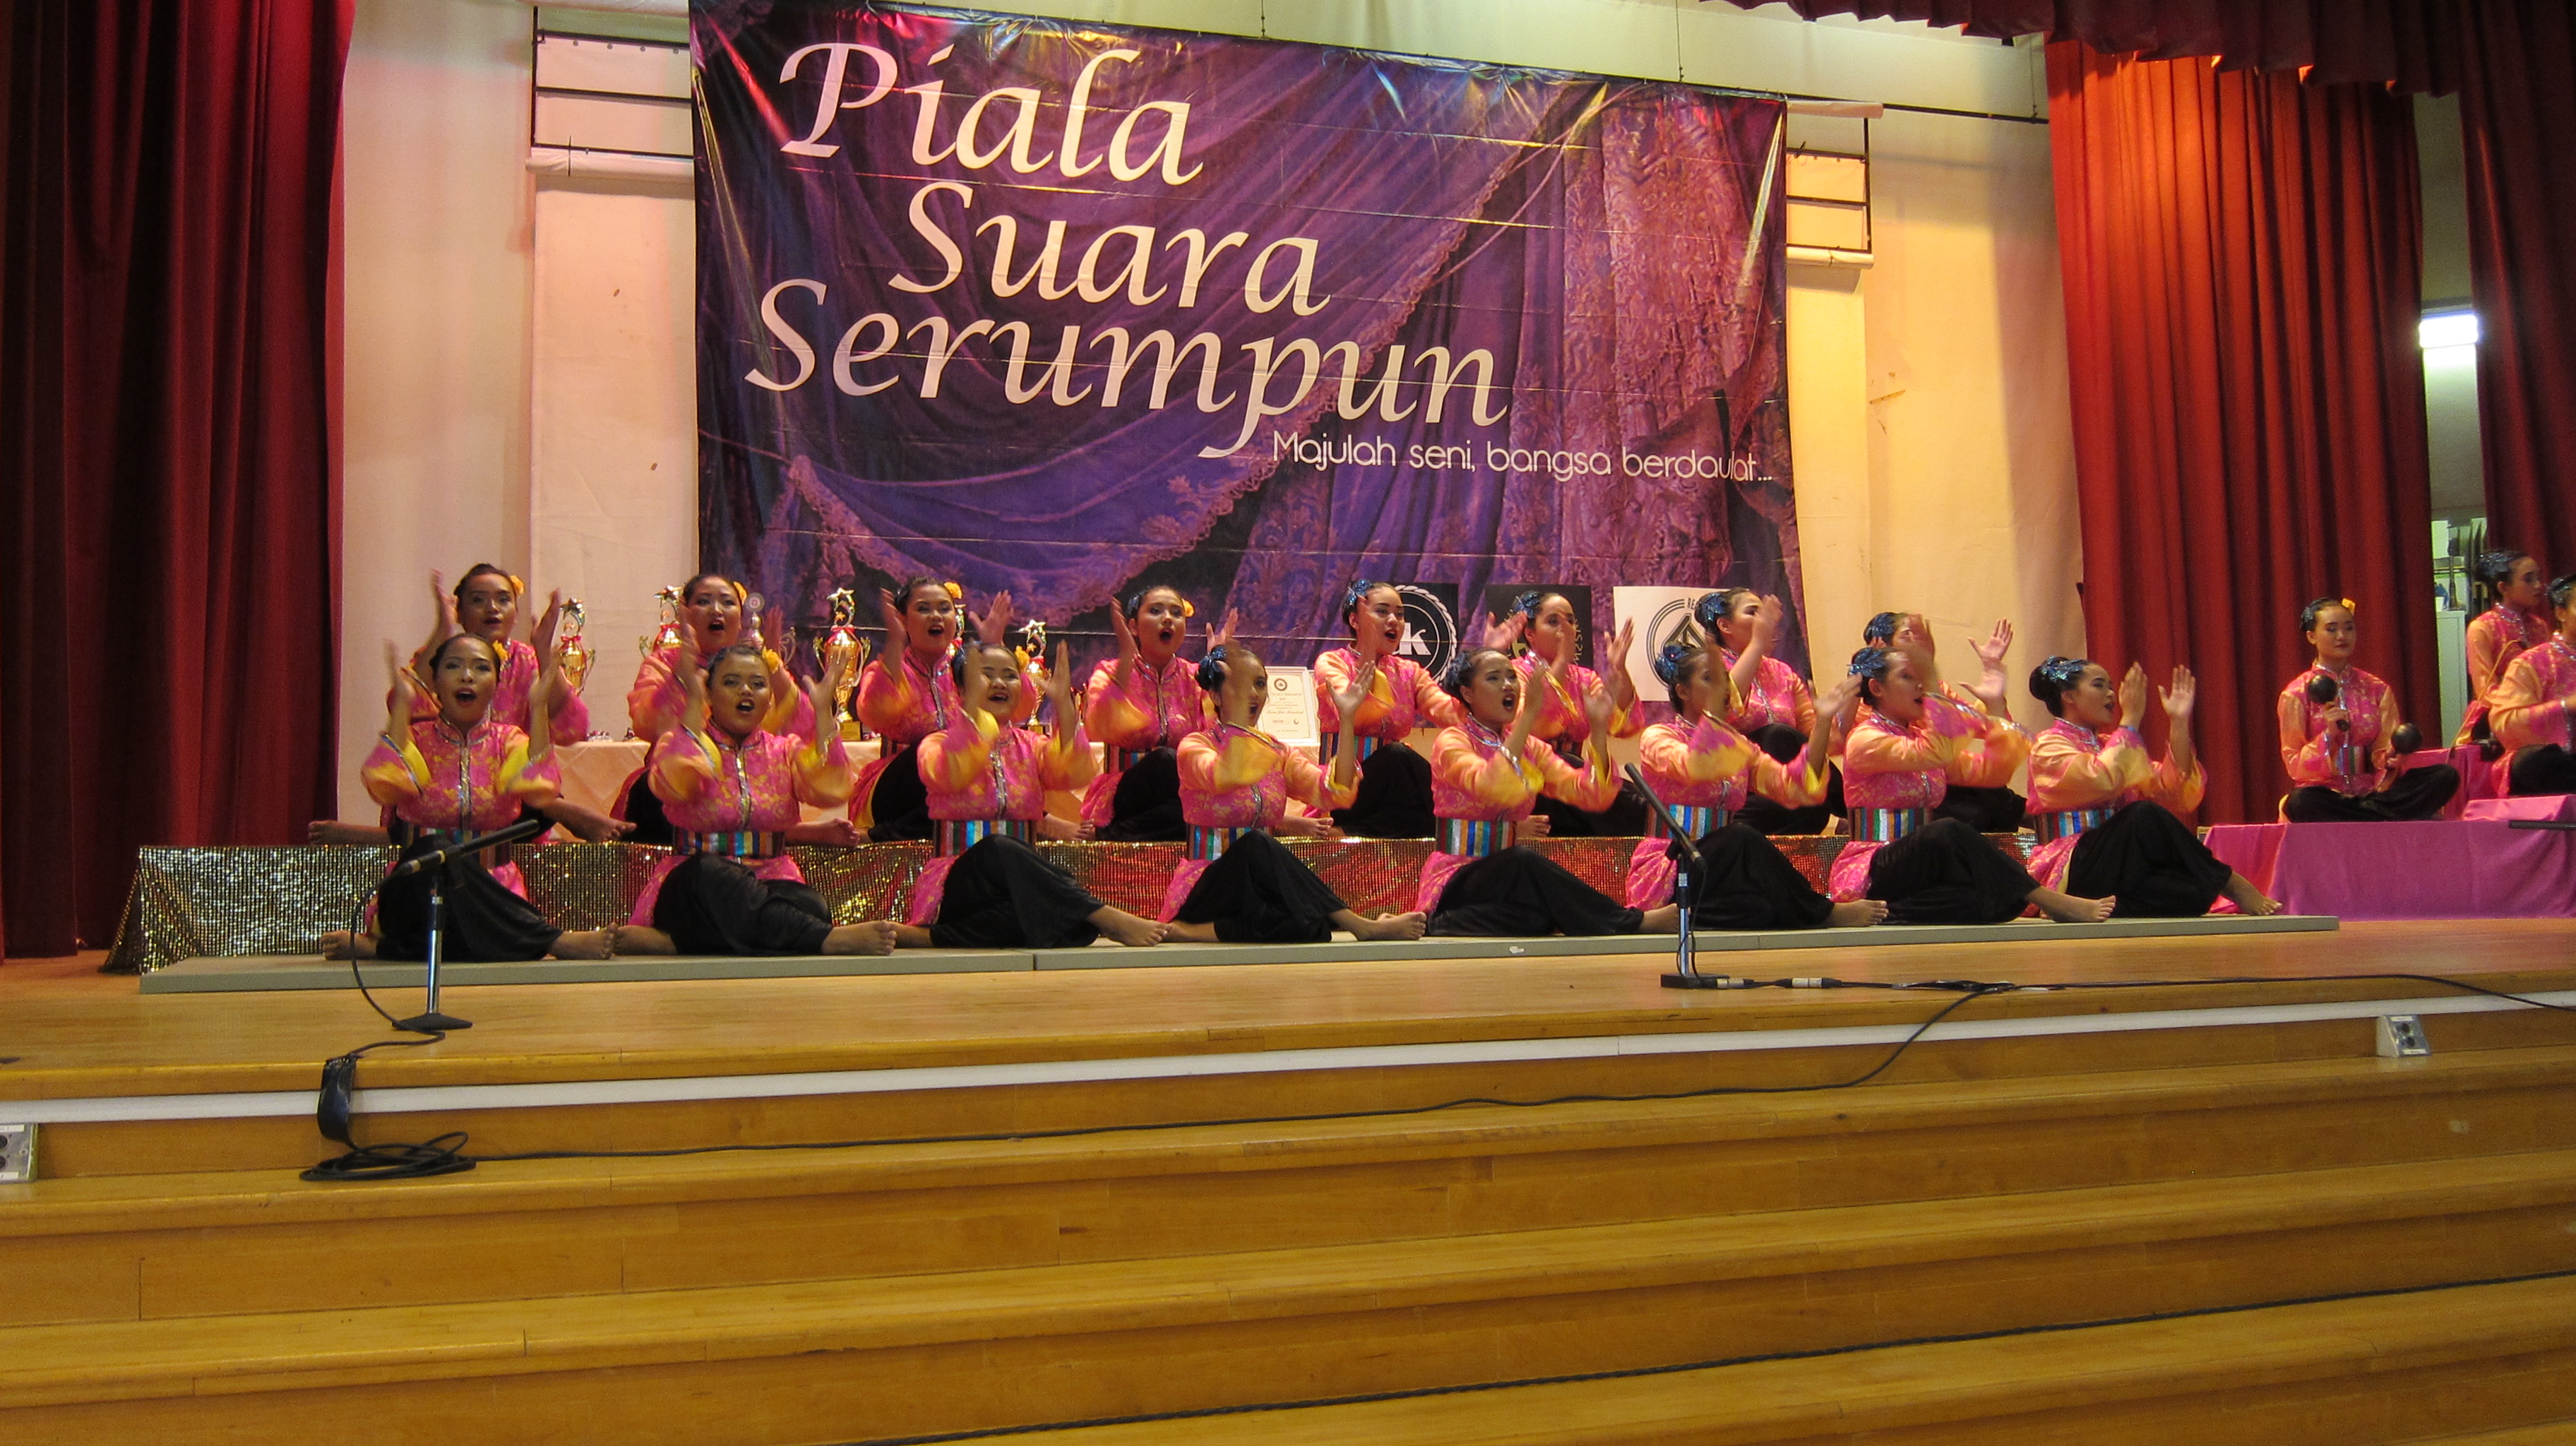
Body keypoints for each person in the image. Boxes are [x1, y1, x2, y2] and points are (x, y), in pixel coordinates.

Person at [323, 635, 612, 962]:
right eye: (453, 666)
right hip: (419, 888)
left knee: (465, 915)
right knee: (436, 852)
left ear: (496, 683)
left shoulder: (509, 740)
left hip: (490, 892)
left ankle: (381, 950)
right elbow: (385, 784)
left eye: (480, 668)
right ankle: (552, 941)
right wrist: (402, 709)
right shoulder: (417, 739)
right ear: (435, 683)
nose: (467, 676)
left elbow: (539, 787)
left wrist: (538, 707)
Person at [612, 646, 899, 957]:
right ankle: (823, 940)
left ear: (768, 698)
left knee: (809, 904)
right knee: (712, 874)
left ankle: (680, 943)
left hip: (770, 878)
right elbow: (675, 786)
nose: (746, 691)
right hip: (697, 881)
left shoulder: (784, 751)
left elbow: (829, 789)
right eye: (732, 682)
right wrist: (693, 706)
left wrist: (822, 713)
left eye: (758, 684)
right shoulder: (682, 742)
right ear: (709, 694)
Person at [310, 565, 628, 845]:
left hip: (510, 794)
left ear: (515, 612)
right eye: (478, 600)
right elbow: (405, 708)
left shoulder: (528, 660)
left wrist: (544, 651)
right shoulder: (442, 658)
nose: (493, 608)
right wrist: (442, 631)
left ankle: (558, 809)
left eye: (504, 599)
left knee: (527, 776)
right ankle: (567, 812)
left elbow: (572, 727)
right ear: (459, 612)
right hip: (440, 781)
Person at [893, 640, 1169, 949]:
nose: (1000, 683)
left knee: (1066, 928)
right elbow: (949, 774)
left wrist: (1064, 703)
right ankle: (1102, 914)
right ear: (960, 688)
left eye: (1009, 675)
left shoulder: (1031, 746)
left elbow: (1072, 772)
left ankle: (929, 938)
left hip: (1018, 881)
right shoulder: (937, 744)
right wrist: (974, 720)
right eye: (986, 675)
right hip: (962, 878)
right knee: (996, 847)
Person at [1157, 644, 1429, 943]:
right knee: (1256, 842)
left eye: (1260, 684)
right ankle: (1359, 924)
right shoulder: (1195, 746)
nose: (1254, 694)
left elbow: (1332, 792)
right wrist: (1234, 716)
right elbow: (1225, 774)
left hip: (1253, 884)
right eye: (1241, 685)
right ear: (1217, 696)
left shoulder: (1278, 751)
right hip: (1208, 881)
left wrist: (1347, 720)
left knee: (1312, 929)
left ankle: (1188, 931)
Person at [1834, 646, 2113, 925]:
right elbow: (1936, 752)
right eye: (1908, 677)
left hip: (1921, 866)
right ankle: (2048, 900)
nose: (1919, 684)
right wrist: (1933, 685)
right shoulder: (1865, 739)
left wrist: (1994, 706)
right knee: (1948, 829)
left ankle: (1888, 913)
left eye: (1921, 677)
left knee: (1993, 903)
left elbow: (1990, 774)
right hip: (1875, 863)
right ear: (1877, 688)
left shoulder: (1920, 739)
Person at [1414, 647, 1682, 938]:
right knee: (1523, 859)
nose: (1508, 685)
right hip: (1458, 872)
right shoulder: (1452, 741)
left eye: (1512, 677)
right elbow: (1491, 787)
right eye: (1494, 678)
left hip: (1505, 878)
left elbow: (1592, 795)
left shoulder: (1532, 748)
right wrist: (1528, 716)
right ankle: (1631, 922)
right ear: (1467, 693)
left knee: (1537, 920)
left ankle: (1443, 924)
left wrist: (1599, 730)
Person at [1626, 643, 1885, 931]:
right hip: (1673, 861)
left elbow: (1794, 787)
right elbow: (1693, 766)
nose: (1724, 688)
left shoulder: (1738, 746)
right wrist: (1713, 719)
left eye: (1725, 679)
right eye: (1710, 678)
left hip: (1721, 866)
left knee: (1761, 911)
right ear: (1683, 691)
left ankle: (1688, 917)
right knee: (1739, 835)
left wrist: (1822, 724)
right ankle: (1824, 913)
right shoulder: (1659, 736)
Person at [2025, 656, 2279, 917]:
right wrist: (2131, 719)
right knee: (2142, 814)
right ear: (2069, 696)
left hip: (2120, 863)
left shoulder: (2109, 744)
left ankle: (2087, 909)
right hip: (2073, 862)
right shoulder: (2049, 745)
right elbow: (2101, 779)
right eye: (2099, 686)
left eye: (2111, 686)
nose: (2112, 694)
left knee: (2192, 895)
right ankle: (2232, 883)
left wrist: (2179, 723)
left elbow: (2174, 791)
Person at [624, 573, 806, 844]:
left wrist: (773, 664)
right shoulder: (664, 664)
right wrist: (682, 676)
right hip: (678, 784)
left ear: (741, 617)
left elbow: (797, 725)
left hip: (750, 787)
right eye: (705, 601)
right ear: (685, 612)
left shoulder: (754, 669)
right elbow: (647, 724)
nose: (717, 611)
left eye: (727, 603)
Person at [848, 575, 1020, 842]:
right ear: (903, 620)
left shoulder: (970, 669)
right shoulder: (893, 669)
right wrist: (895, 641)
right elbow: (875, 713)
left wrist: (994, 645)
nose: (936, 617)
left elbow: (1013, 712)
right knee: (936, 748)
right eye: (924, 609)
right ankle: (884, 831)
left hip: (957, 784)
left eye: (944, 608)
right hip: (898, 788)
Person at [2277, 597, 2459, 822]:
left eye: (2349, 628)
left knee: (2444, 776)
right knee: (2301, 801)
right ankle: (2377, 817)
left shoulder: (2376, 689)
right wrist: (2327, 736)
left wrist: (2390, 758)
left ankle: (2368, 813)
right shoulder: (2296, 694)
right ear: (2312, 636)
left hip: (2375, 791)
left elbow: (2384, 749)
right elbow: (2295, 765)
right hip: (2328, 794)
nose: (2342, 636)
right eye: (2332, 630)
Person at [1311, 580, 1467, 838]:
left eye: (1400, 613)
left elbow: (1449, 713)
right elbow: (1355, 712)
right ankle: (1464, 821)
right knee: (1397, 755)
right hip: (1346, 784)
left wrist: (1483, 681)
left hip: (1393, 788)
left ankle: (1352, 831)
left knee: (1422, 814)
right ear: (1355, 620)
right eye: (1382, 612)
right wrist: (1370, 650)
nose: (1394, 620)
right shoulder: (1332, 662)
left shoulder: (1409, 672)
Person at [1863, 609, 2027, 832]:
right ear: (1881, 647)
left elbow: (1976, 733)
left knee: (1988, 797)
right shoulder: (1869, 716)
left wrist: (1994, 701)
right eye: (1909, 635)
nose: (1920, 642)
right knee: (1969, 818)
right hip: (1899, 827)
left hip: (1938, 780)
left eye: (1923, 634)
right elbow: (1937, 751)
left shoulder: (1936, 690)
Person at [1080, 585, 1222, 842]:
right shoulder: (1111, 671)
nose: (1168, 618)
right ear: (1133, 627)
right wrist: (1126, 656)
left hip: (1176, 795)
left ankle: (1112, 835)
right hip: (1127, 792)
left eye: (1176, 613)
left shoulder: (1194, 678)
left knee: (1191, 813)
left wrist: (1221, 670)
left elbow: (1217, 736)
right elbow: (1097, 725)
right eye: (1156, 611)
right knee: (1167, 760)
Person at [1503, 590, 1647, 836]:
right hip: (1530, 781)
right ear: (1530, 634)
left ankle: (1653, 819)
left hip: (1572, 784)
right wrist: (1561, 662)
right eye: (1553, 622)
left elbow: (1624, 728)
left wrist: (1620, 668)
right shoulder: (1514, 674)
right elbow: (1529, 725)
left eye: (1570, 620)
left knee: (1618, 789)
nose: (1565, 628)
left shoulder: (1584, 678)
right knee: (1567, 762)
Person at [1697, 588, 1829, 834]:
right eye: (1752, 612)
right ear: (1725, 625)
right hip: (1732, 781)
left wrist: (1830, 716)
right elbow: (1719, 711)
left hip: (1778, 786)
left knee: (1812, 807)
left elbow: (1810, 737)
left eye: (1765, 612)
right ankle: (1846, 805)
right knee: (1776, 736)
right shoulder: (1707, 667)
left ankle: (1840, 803)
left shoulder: (1783, 673)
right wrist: (1758, 643)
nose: (1765, 620)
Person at [2489, 573, 2576, 795]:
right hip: (2560, 761)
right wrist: (2565, 707)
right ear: (2561, 613)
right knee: (2532, 761)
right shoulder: (2532, 662)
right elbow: (2504, 723)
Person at [2459, 549, 2555, 746]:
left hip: (2541, 714)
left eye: (2539, 578)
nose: (2538, 585)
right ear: (2503, 587)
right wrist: (2522, 711)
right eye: (2528, 580)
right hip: (2499, 719)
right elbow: (2486, 690)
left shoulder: (2540, 626)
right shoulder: (2483, 627)